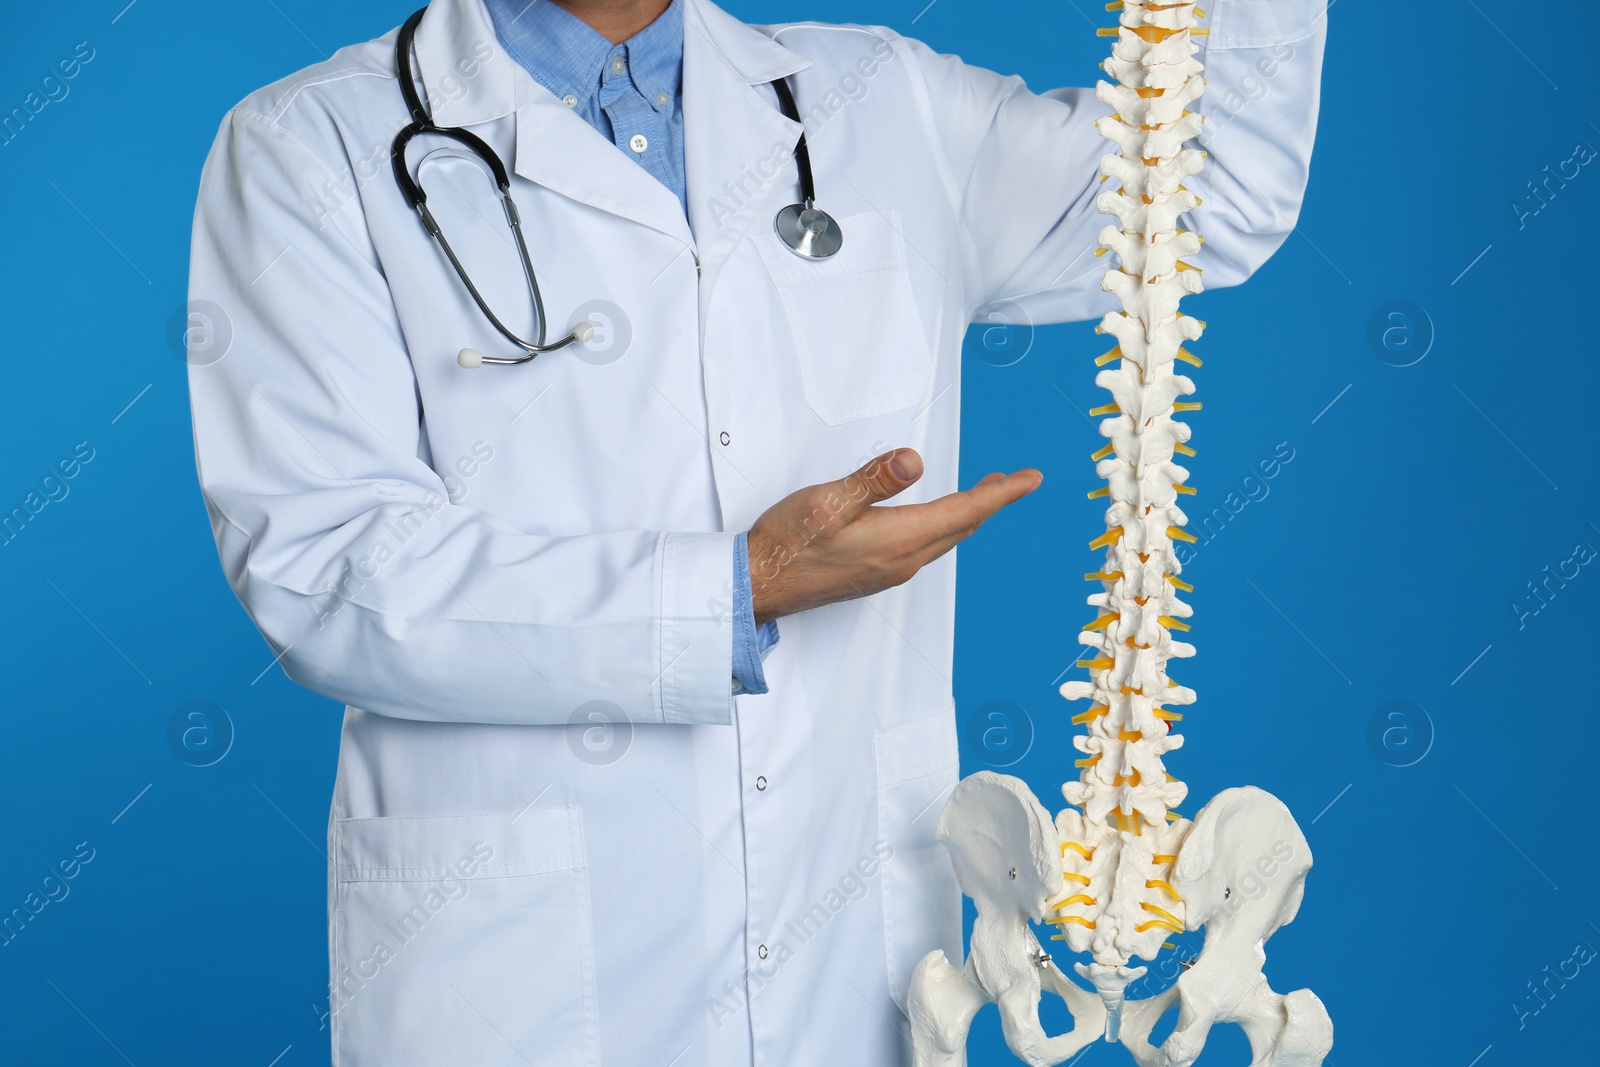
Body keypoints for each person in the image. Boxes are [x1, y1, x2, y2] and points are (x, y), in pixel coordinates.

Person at [183, 0, 1325, 1063]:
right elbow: (326, 572)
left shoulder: (882, 98)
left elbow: (1202, 189)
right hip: (520, 976)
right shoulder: (309, 145)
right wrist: (736, 588)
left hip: (852, 962)